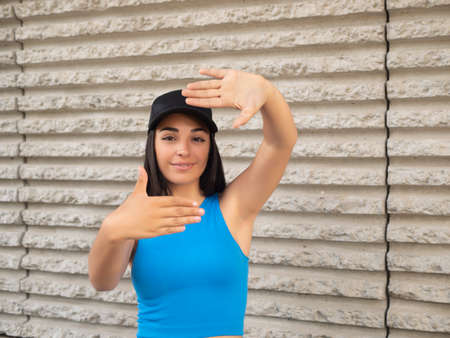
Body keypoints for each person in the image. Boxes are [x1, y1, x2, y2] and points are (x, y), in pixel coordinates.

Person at [88, 68, 298, 338]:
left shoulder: (233, 207)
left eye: (197, 138)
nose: (183, 150)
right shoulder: (139, 216)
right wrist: (111, 229)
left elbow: (281, 143)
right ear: (153, 145)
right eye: (169, 137)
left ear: (210, 147)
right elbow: (103, 282)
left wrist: (267, 93)